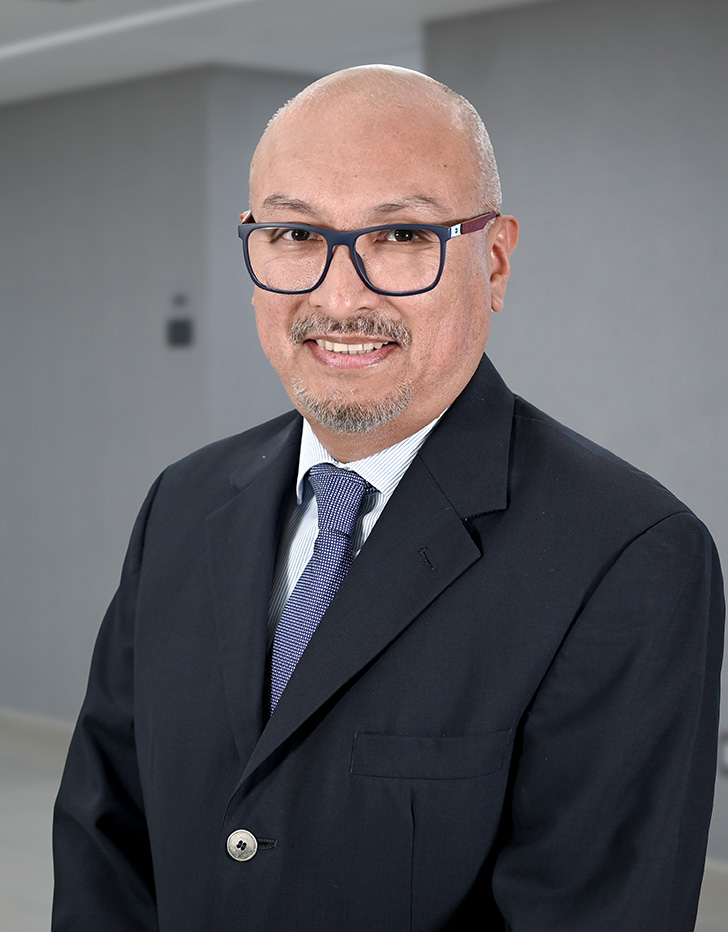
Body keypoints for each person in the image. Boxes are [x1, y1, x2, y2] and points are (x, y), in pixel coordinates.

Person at [52, 65, 724, 932]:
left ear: (495, 260)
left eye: (403, 234)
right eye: (296, 233)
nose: (339, 297)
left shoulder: (628, 555)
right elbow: (106, 846)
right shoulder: (181, 504)